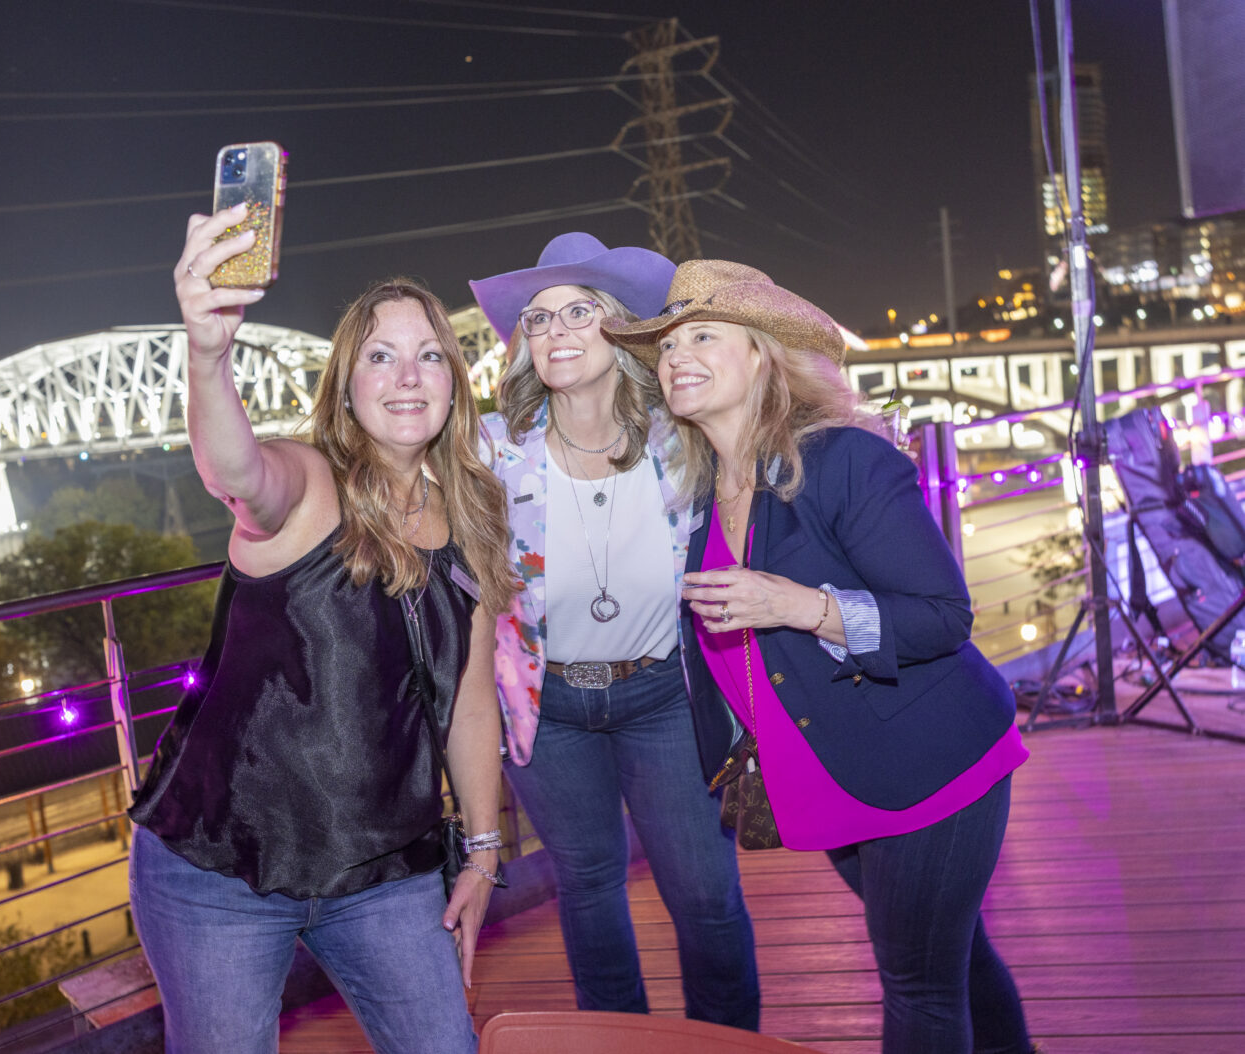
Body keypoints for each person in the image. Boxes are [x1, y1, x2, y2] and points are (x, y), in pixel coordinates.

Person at [606, 258, 1034, 1054]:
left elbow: (942, 617)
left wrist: (801, 607)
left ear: (765, 353)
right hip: (833, 773)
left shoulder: (844, 459)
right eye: (666, 347)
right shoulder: (707, 490)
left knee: (917, 986)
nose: (675, 359)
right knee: (953, 962)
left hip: (928, 764)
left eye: (703, 336)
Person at [128, 204, 515, 1054]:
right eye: (381, 357)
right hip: (218, 866)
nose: (407, 377)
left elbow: (472, 701)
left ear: (454, 381)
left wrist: (483, 850)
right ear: (346, 385)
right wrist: (207, 351)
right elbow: (237, 471)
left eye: (428, 357)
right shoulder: (305, 487)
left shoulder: (475, 511)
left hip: (385, 868)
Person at [467, 233, 760, 1026]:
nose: (556, 330)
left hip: (665, 695)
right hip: (546, 709)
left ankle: (727, 1047)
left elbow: (783, 419)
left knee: (704, 894)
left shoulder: (683, 438)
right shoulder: (492, 453)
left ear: (622, 327)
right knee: (589, 892)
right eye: (538, 318)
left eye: (579, 310)